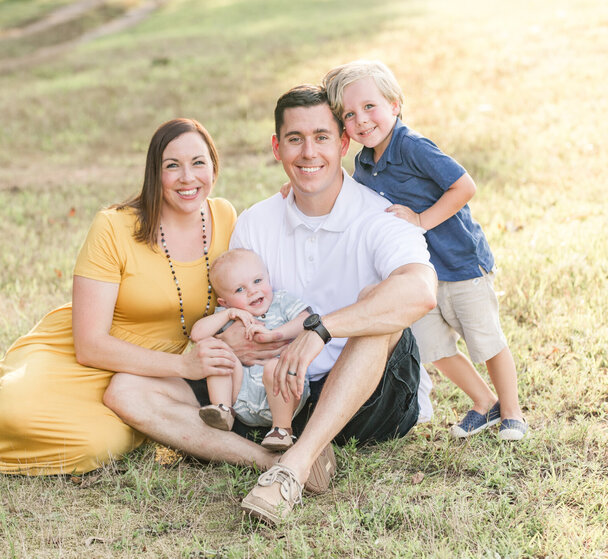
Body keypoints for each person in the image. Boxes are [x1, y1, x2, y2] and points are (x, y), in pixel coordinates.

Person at [106, 84, 437, 525]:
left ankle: (294, 470)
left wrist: (320, 331)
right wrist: (237, 341)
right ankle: (269, 460)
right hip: (276, 399)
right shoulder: (256, 223)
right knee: (125, 390)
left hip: (368, 401)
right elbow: (241, 314)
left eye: (321, 137)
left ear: (343, 143)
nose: (308, 152)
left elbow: (420, 291)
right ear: (277, 147)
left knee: (378, 306)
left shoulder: (379, 216)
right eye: (295, 139)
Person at [0, 118, 240, 476]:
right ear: (155, 173)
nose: (187, 177)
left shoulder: (225, 218)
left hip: (148, 381)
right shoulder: (115, 226)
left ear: (214, 166)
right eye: (172, 165)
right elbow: (90, 345)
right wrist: (185, 365)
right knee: (16, 407)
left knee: (92, 448)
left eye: (198, 163)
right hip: (89, 350)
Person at [322, 60, 527, 441]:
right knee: (434, 347)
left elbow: (464, 186)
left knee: (486, 340)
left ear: (395, 104)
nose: (362, 120)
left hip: (461, 262)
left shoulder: (412, 146)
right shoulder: (364, 163)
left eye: (370, 107)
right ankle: (484, 403)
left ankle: (513, 411)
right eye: (349, 115)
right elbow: (348, 197)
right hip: (420, 274)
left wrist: (421, 220)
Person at [190, 248, 312, 450]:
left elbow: (306, 321)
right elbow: (197, 335)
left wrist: (276, 334)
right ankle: (223, 410)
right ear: (224, 301)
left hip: (283, 394)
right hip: (241, 397)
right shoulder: (230, 314)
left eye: (257, 281)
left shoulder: (281, 302)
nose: (252, 291)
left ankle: (281, 430)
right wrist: (229, 314)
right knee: (216, 349)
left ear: (268, 278)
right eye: (239, 290)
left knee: (275, 366)